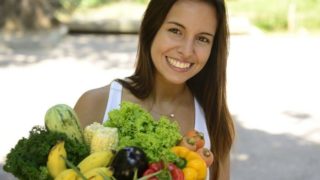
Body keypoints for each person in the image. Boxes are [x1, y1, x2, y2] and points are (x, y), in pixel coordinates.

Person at [74, 0, 235, 179]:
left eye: (202, 39)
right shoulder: (95, 104)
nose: (187, 51)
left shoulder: (214, 121)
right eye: (175, 31)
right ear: (152, 29)